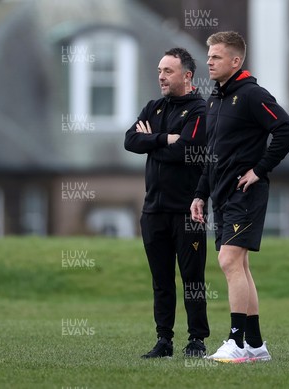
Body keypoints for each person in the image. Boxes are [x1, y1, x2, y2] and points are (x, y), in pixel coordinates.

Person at [190, 31, 289, 363]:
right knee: (241, 265)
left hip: (246, 194)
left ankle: (236, 342)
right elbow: (212, 153)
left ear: (236, 61)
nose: (209, 61)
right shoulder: (214, 99)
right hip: (221, 196)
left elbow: (286, 129)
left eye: (216, 57)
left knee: (228, 261)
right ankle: (255, 344)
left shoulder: (252, 95)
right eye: (208, 56)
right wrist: (200, 195)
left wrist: (260, 169)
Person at [125, 47, 210, 358]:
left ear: (187, 76)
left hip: (188, 212)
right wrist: (164, 139)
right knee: (161, 281)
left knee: (192, 280)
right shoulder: (153, 107)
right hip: (153, 212)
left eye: (168, 71)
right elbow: (130, 140)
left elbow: (187, 151)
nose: (160, 76)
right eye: (159, 70)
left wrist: (154, 142)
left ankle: (197, 340)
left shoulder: (200, 110)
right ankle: (164, 341)